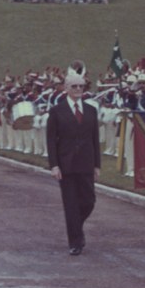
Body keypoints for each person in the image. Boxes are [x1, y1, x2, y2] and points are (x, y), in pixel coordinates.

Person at [47, 67, 101, 256]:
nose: (78, 89)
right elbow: (51, 141)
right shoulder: (56, 111)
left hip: (86, 163)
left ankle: (76, 226)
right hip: (66, 165)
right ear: (66, 88)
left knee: (89, 201)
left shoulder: (91, 111)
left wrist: (97, 165)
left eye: (81, 86)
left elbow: (95, 139)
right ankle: (75, 241)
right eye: (74, 86)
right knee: (70, 204)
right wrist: (54, 165)